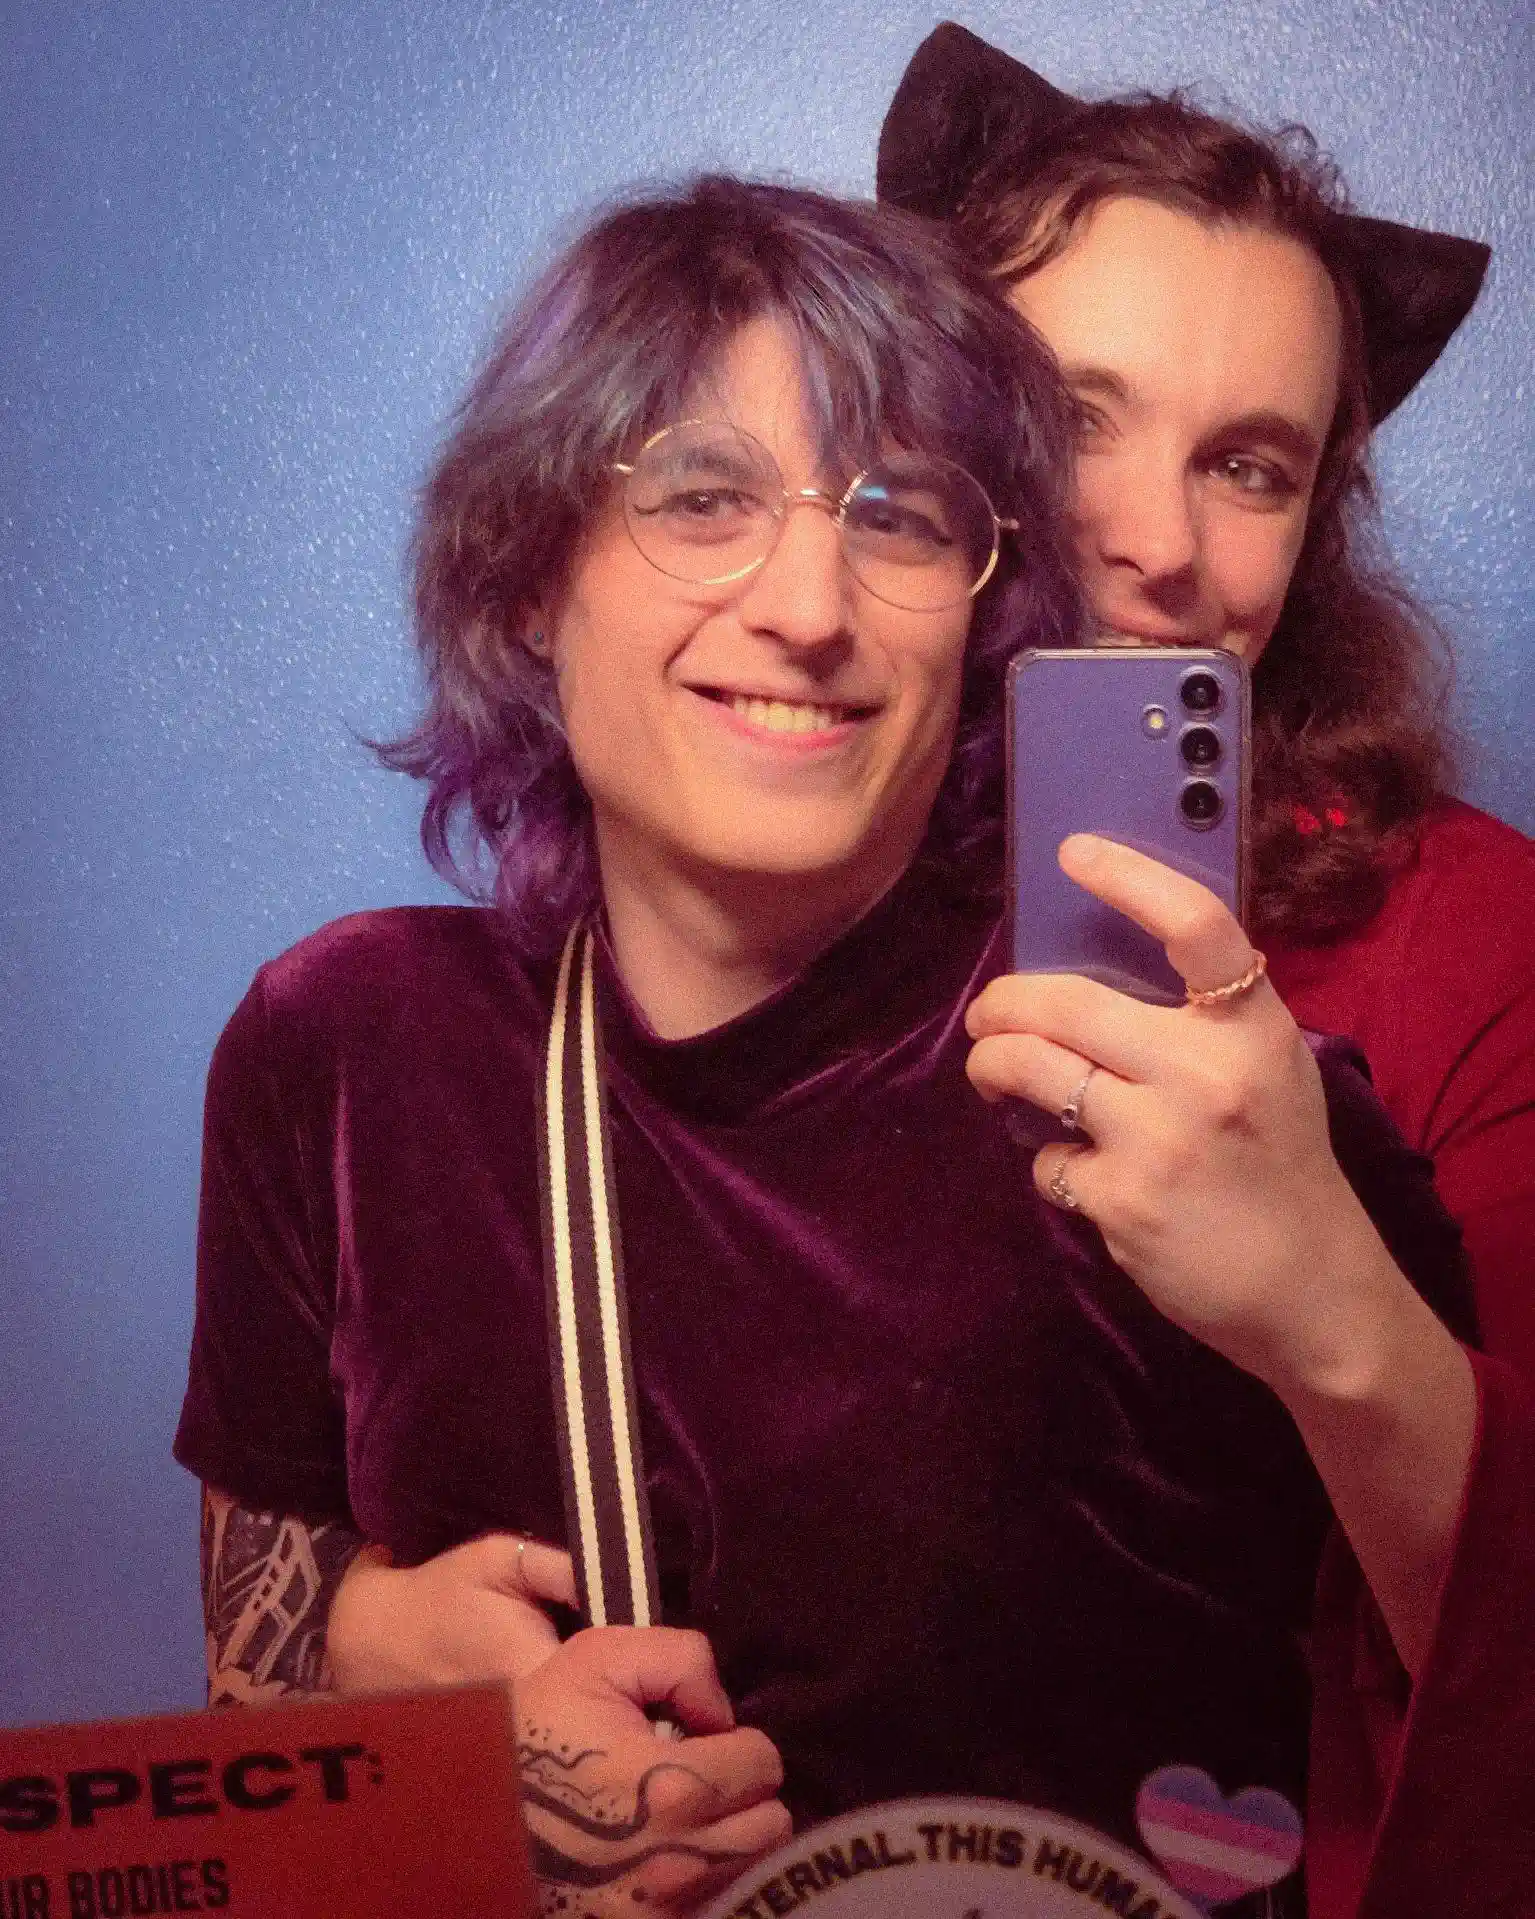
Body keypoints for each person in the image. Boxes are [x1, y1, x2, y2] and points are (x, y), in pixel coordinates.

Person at [176, 177, 1510, 1919]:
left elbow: (1488, 1750)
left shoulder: (1191, 1098)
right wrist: (385, 1688)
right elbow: (238, 1694)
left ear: (982, 608)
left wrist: (1335, 1308)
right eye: (701, 495)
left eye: (899, 516)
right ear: (523, 582)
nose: (809, 600)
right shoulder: (334, 1049)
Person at [877, 23, 1535, 1376]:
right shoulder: (771, 848)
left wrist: (1333, 1313)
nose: (1160, 546)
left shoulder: (1481, 942)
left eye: (1245, 467)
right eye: (1070, 419)